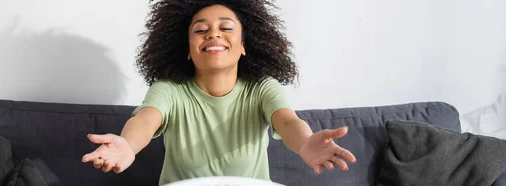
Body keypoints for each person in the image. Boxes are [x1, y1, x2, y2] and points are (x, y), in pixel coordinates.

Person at [82, 1, 356, 185]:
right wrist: (128, 146)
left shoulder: (262, 88)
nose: (214, 34)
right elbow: (145, 120)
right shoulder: (170, 90)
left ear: (244, 45)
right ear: (187, 51)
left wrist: (306, 142)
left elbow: (286, 122)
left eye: (226, 28)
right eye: (201, 30)